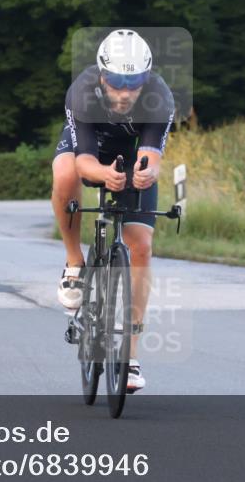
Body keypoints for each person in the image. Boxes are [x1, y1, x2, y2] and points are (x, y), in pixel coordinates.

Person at [51, 29, 175, 393]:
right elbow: (84, 160)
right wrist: (104, 174)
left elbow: (152, 156)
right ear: (102, 75)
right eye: (117, 82)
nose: (124, 92)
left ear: (146, 79)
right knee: (65, 173)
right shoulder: (82, 91)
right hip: (90, 150)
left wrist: (147, 172)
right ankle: (74, 262)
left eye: (133, 83)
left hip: (132, 154)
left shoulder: (160, 96)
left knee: (142, 246)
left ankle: (130, 357)